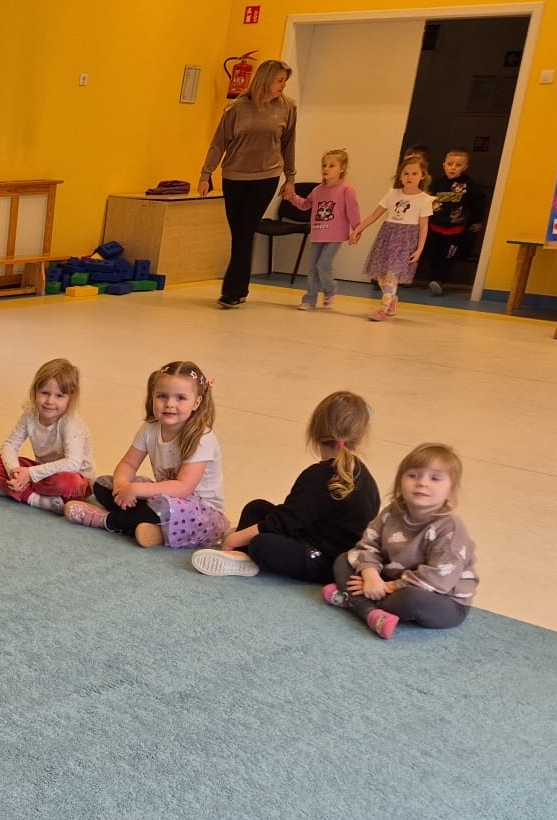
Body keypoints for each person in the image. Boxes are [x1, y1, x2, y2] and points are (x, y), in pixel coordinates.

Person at [191, 390, 378, 581]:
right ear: (361, 436)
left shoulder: (318, 476)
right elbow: (293, 517)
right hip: (316, 538)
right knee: (256, 508)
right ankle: (241, 556)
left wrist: (234, 539)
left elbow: (283, 523)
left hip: (326, 561)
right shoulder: (365, 477)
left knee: (261, 544)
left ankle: (242, 552)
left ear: (314, 430)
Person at [325, 442, 478, 639]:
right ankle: (370, 612)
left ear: (450, 491)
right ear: (399, 483)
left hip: (442, 598)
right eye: (413, 475)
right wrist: (371, 576)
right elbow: (368, 545)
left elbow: (437, 579)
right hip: (390, 580)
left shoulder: (450, 529)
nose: (422, 483)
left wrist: (387, 587)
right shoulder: (392, 513)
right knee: (344, 559)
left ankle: (356, 601)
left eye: (435, 478)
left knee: (412, 600)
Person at [66, 360, 226, 548]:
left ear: (196, 402)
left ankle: (108, 520)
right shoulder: (150, 429)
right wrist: (122, 486)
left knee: (161, 505)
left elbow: (183, 488)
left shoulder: (202, 438)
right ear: (152, 397)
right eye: (162, 396)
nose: (169, 404)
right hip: (164, 499)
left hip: (201, 514)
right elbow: (128, 464)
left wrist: (136, 490)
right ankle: (147, 527)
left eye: (181, 398)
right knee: (102, 485)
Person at [199, 59, 297, 309]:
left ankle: (232, 291)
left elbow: (288, 144)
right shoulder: (237, 108)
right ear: (265, 80)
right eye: (279, 80)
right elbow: (219, 142)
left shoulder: (288, 107)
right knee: (239, 233)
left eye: (285, 81)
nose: (283, 85)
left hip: (267, 177)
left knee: (245, 230)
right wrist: (206, 173)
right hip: (235, 177)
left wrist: (290, 178)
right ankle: (239, 289)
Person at [0, 357, 94, 513]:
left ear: (70, 399)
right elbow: (10, 445)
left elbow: (73, 463)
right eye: (45, 393)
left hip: (74, 478)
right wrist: (14, 471)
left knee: (67, 482)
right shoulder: (30, 415)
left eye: (59, 396)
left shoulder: (71, 423)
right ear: (34, 392)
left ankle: (17, 491)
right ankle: (37, 499)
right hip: (42, 474)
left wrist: (29, 474)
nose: (50, 401)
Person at [352, 157, 433, 322]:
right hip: (387, 237)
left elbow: (424, 226)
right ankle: (392, 299)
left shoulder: (425, 200)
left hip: (406, 240)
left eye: (414, 173)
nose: (409, 177)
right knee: (382, 276)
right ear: (400, 175)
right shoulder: (392, 194)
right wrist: (358, 230)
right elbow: (374, 215)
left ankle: (383, 308)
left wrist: (420, 248)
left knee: (392, 275)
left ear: (422, 175)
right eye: (405, 173)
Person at [285, 149, 362, 310]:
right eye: (324, 165)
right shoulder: (318, 190)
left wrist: (356, 230)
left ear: (342, 168)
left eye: (331, 165)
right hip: (318, 234)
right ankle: (309, 299)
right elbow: (305, 205)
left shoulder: (346, 189)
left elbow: (353, 211)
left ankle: (330, 289)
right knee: (313, 268)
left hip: (335, 235)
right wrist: (292, 196)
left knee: (323, 265)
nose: (326, 168)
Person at [424, 149, 486, 295]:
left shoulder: (470, 185)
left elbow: (478, 204)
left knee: (449, 256)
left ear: (465, 167)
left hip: (456, 230)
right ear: (444, 165)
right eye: (450, 164)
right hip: (435, 226)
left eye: (458, 165)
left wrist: (478, 220)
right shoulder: (436, 183)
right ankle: (432, 280)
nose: (453, 168)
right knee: (434, 255)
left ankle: (440, 281)